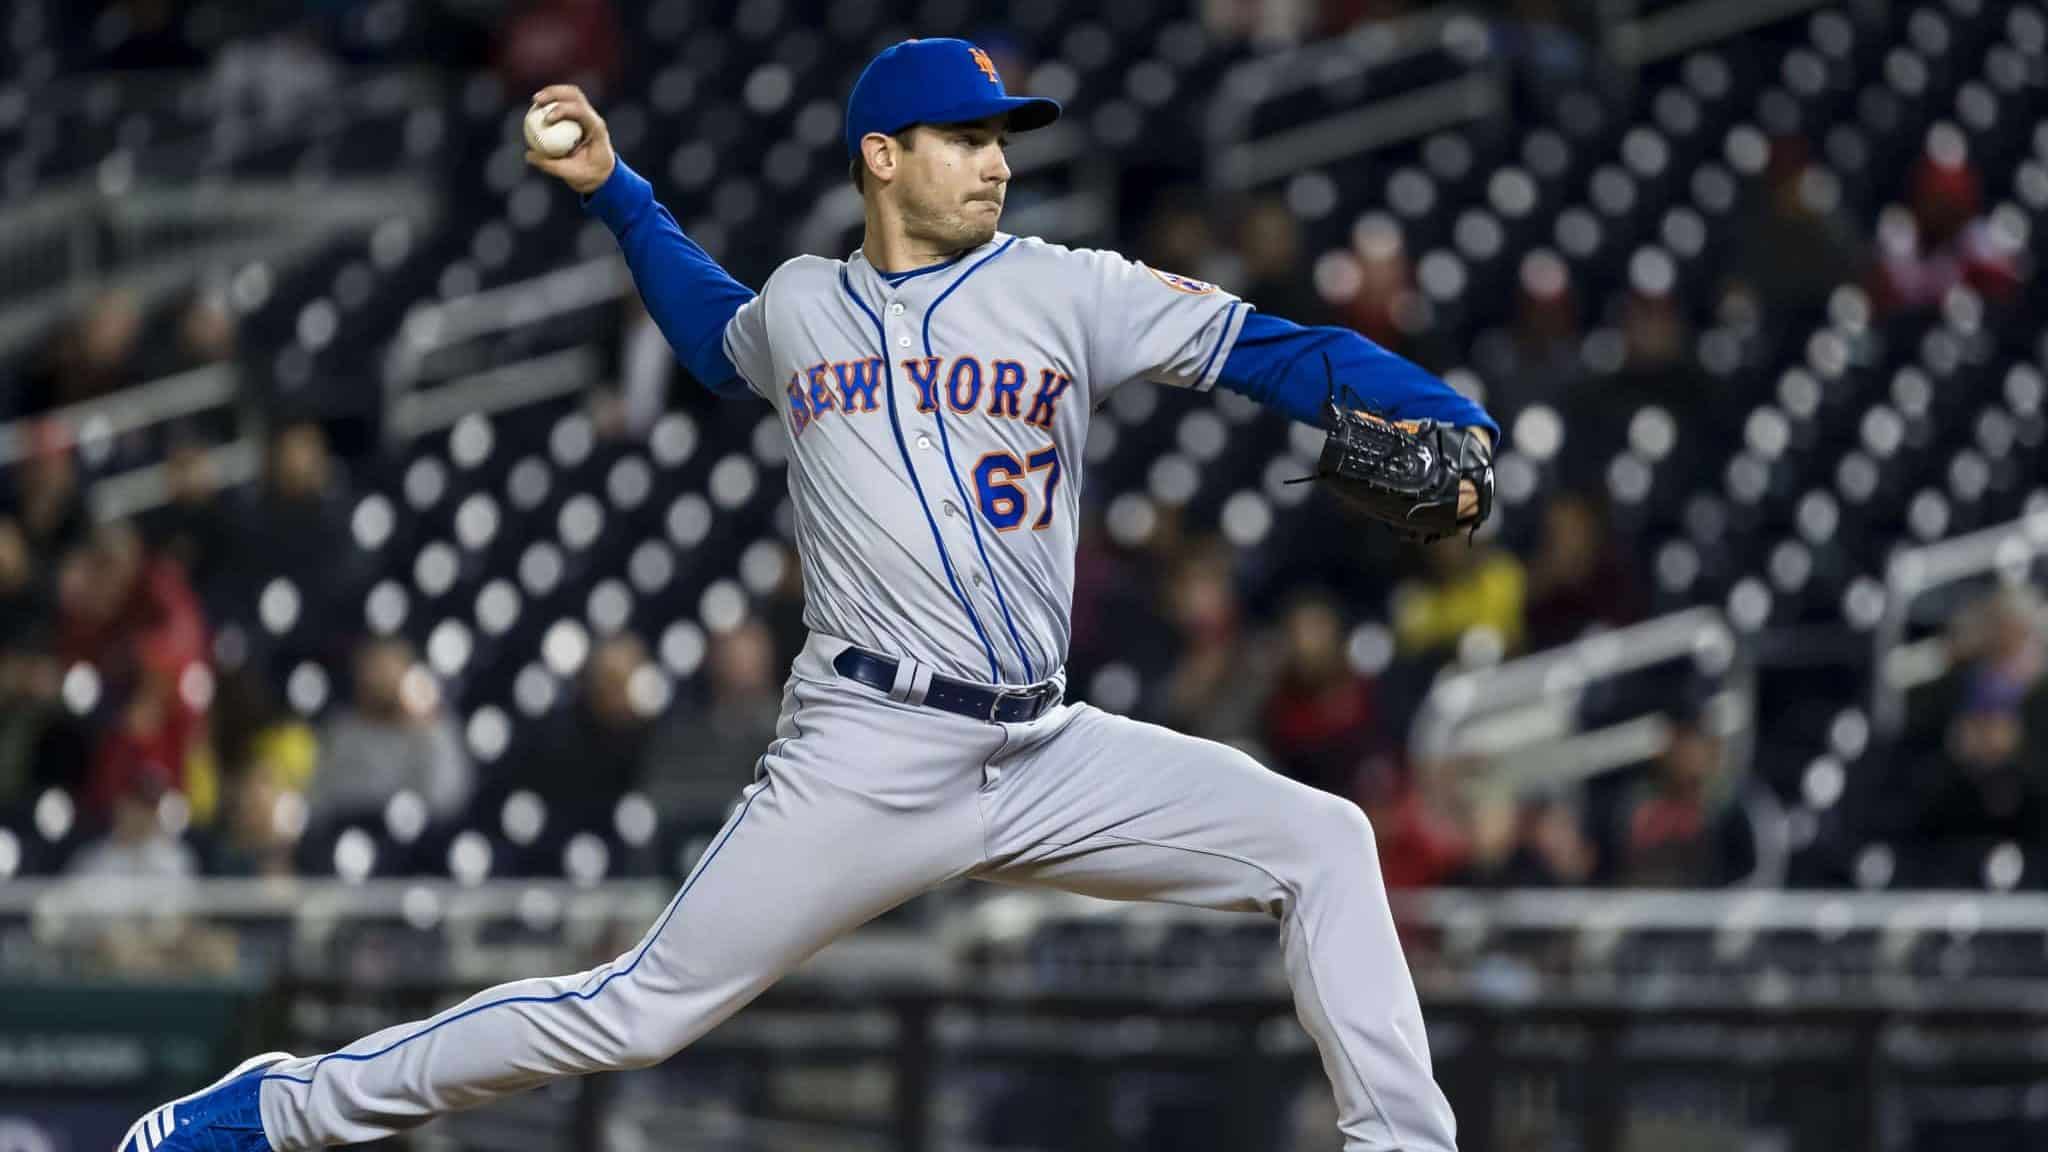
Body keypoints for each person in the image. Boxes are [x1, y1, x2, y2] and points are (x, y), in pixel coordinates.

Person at [133, 39, 1496, 1152]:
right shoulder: (799, 308)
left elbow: (1276, 350)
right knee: (636, 1015)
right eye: (968, 137)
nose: (999, 161)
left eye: (1004, 135)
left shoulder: (1068, 290)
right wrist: (621, 196)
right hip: (866, 748)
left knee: (1325, 844)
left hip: (1044, 743)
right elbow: (711, 333)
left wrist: (1448, 418)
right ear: (882, 158)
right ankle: (281, 1109)